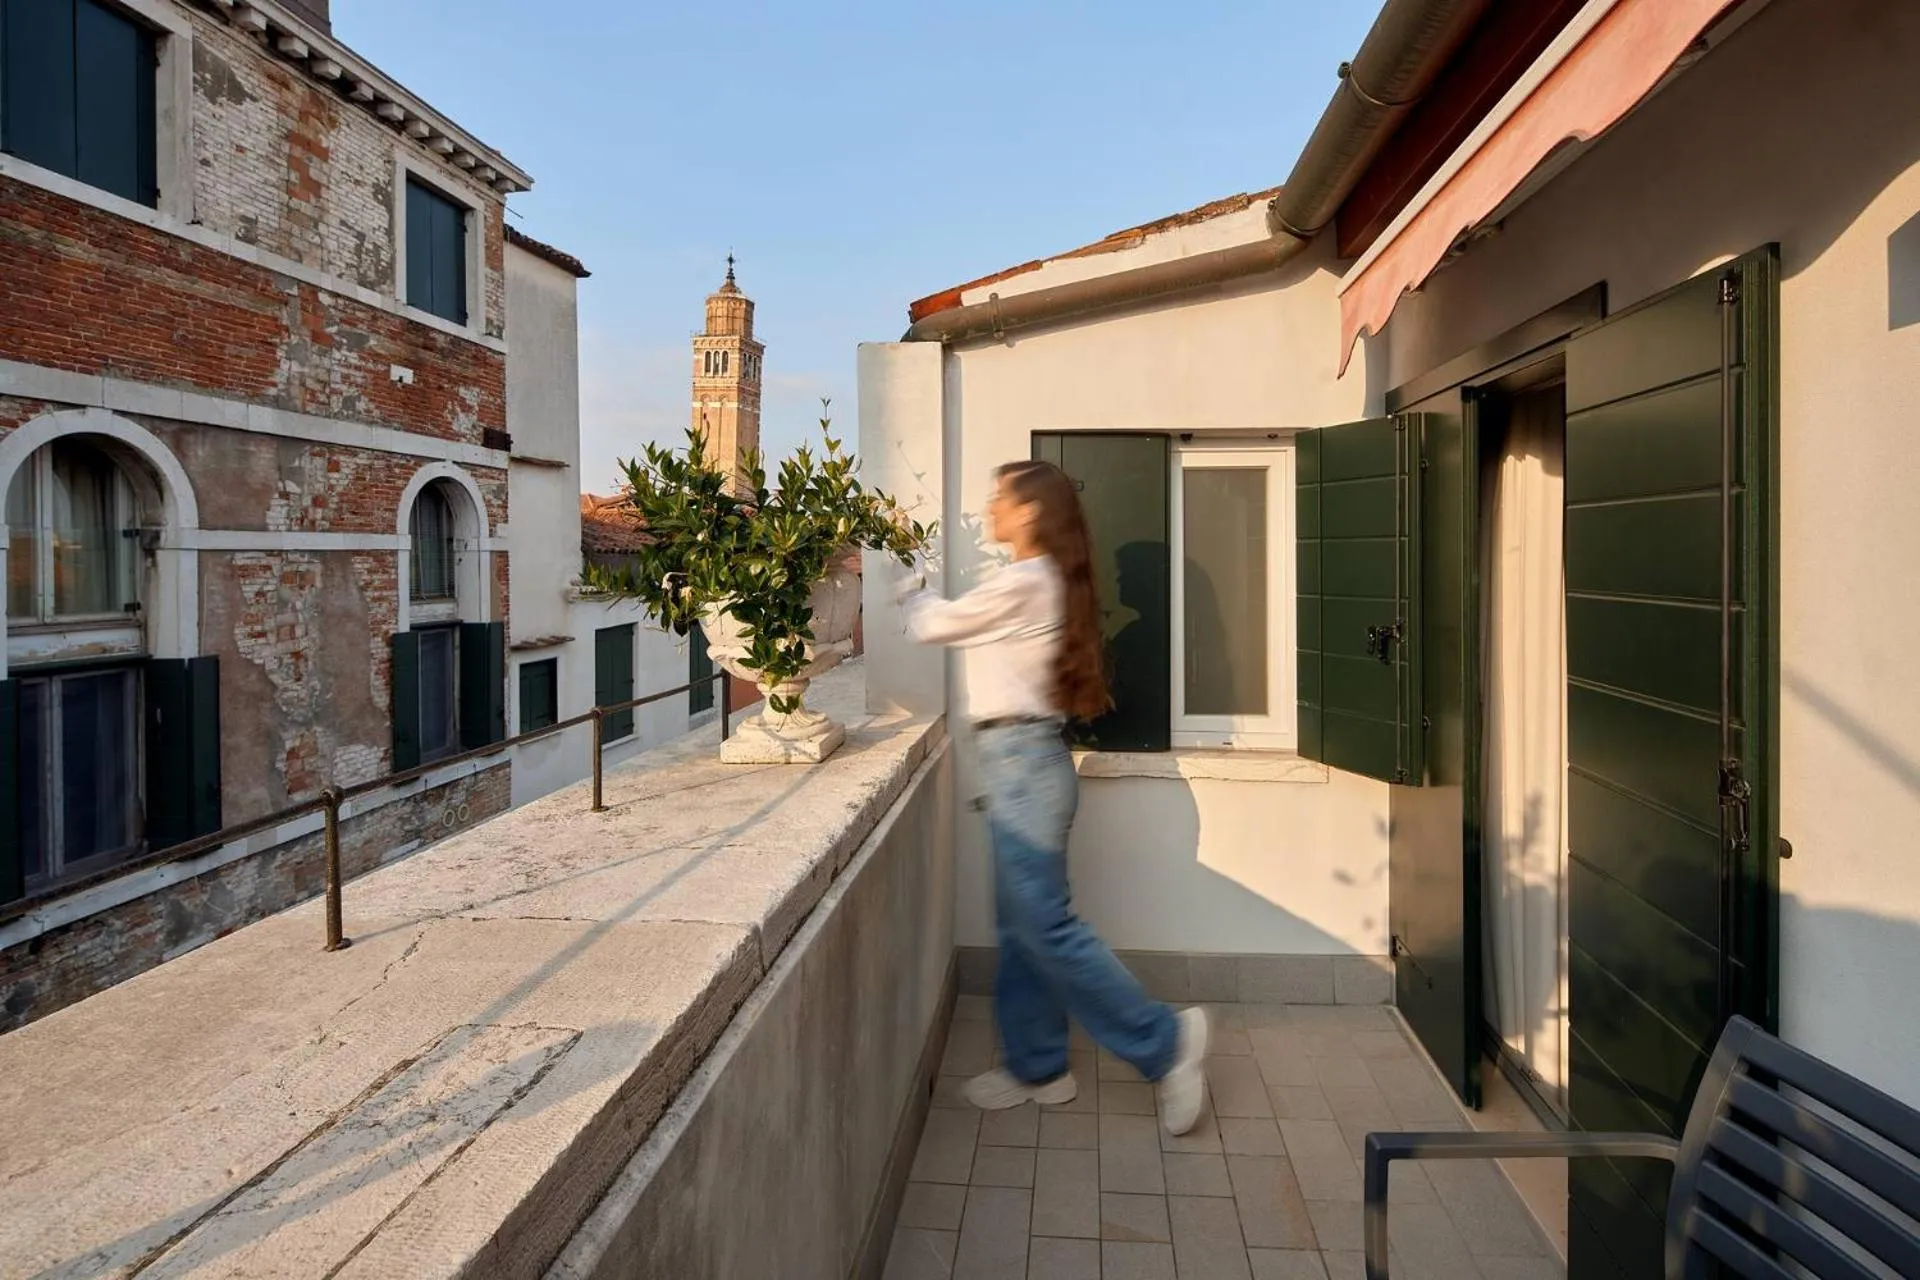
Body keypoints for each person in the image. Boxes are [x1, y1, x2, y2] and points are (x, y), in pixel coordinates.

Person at [898, 459, 1209, 1136]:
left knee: (1046, 928)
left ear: (1031, 512)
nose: (990, 508)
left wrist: (902, 578)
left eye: (1000, 499)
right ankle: (1039, 1068)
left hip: (1025, 770)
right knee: (1021, 929)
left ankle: (1165, 1044)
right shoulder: (1038, 582)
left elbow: (934, 625)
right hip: (1021, 766)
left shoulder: (1024, 581)